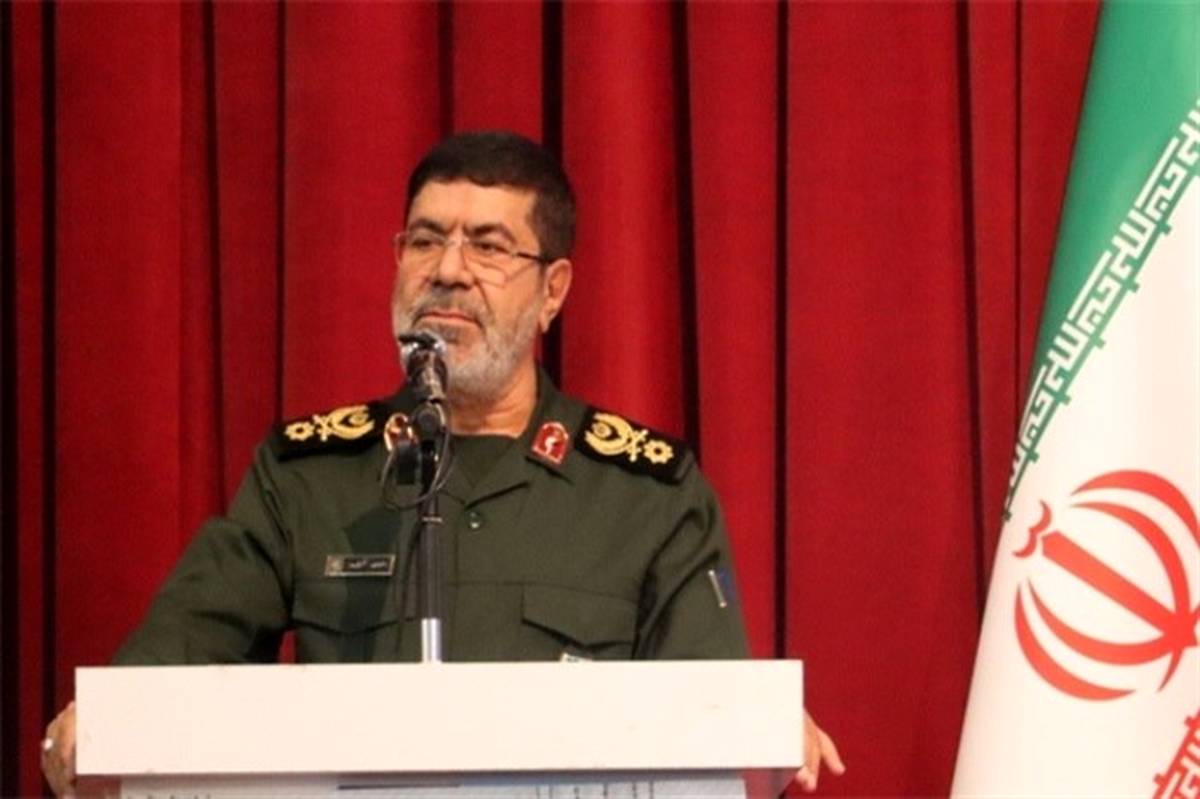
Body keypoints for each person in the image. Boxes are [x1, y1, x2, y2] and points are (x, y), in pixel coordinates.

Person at [40, 131, 844, 795]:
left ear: (553, 290)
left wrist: (759, 723)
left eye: (489, 247)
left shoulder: (647, 493)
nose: (448, 270)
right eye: (425, 240)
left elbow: (713, 714)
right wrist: (99, 727)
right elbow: (171, 663)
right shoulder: (309, 476)